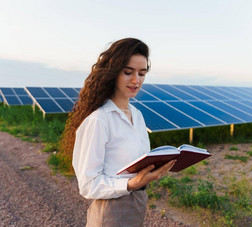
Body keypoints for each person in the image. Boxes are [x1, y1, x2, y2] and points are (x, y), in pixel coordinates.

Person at [64, 38, 176, 226]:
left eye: (142, 73)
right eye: (128, 72)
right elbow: (88, 185)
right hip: (110, 212)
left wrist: (154, 168)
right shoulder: (99, 120)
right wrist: (130, 184)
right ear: (113, 73)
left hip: (138, 204)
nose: (136, 80)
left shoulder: (137, 115)